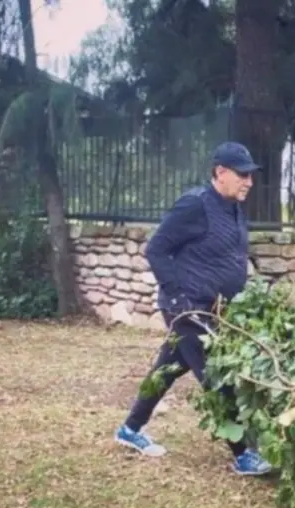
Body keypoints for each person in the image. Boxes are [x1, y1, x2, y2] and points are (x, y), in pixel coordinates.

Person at [114, 141, 273, 476]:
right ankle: (244, 454)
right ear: (220, 172)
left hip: (215, 308)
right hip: (188, 307)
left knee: (168, 368)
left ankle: (130, 429)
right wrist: (176, 297)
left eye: (250, 175)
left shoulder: (233, 207)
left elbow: (227, 255)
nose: (249, 182)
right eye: (243, 175)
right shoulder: (195, 205)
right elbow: (156, 249)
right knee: (217, 376)